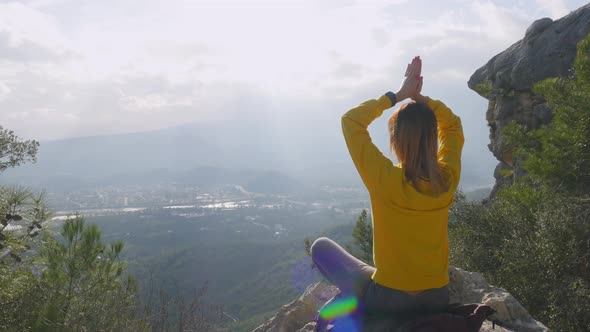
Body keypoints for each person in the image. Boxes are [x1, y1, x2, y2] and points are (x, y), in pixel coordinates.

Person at [311, 56, 464, 318]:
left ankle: (354, 308)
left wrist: (398, 95)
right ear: (431, 139)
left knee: (320, 247)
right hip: (437, 297)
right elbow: (453, 126)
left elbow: (351, 121)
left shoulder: (385, 179)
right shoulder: (447, 180)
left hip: (389, 299)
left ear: (396, 142)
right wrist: (422, 100)